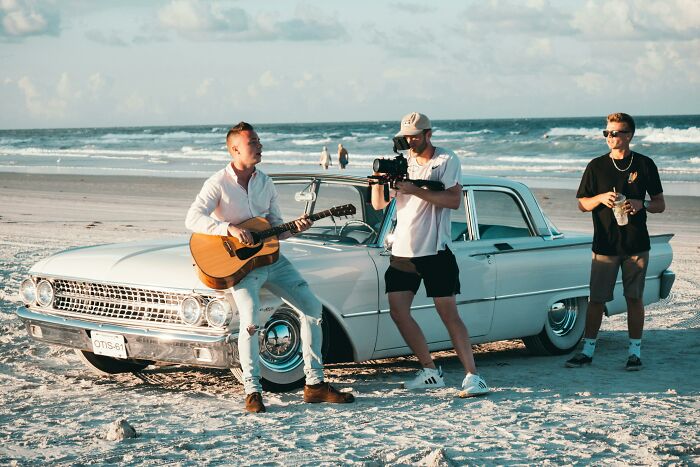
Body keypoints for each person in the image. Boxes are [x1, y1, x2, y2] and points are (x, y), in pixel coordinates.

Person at [185, 122, 355, 412]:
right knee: (250, 322)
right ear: (235, 149)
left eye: (259, 141)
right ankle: (252, 391)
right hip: (239, 266)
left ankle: (314, 384)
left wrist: (296, 229)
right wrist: (229, 229)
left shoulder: (265, 182)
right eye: (253, 142)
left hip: (273, 260)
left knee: (313, 309)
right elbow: (192, 219)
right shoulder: (217, 183)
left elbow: (276, 228)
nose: (260, 146)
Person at [370, 112, 489, 397]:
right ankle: (429, 371)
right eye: (406, 136)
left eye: (415, 135)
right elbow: (378, 204)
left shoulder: (446, 160)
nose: (410, 141)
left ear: (428, 134)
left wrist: (414, 189)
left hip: (436, 250)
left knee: (448, 314)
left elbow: (453, 200)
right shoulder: (402, 163)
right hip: (402, 250)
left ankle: (473, 376)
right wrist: (379, 180)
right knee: (399, 312)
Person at [566, 112, 665, 371]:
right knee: (596, 299)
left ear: (629, 135)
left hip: (635, 244)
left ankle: (635, 353)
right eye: (606, 133)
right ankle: (587, 351)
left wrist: (640, 203)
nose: (609, 137)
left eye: (615, 133)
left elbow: (660, 204)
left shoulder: (644, 164)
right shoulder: (596, 166)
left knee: (634, 298)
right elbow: (582, 204)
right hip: (605, 245)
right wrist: (599, 198)